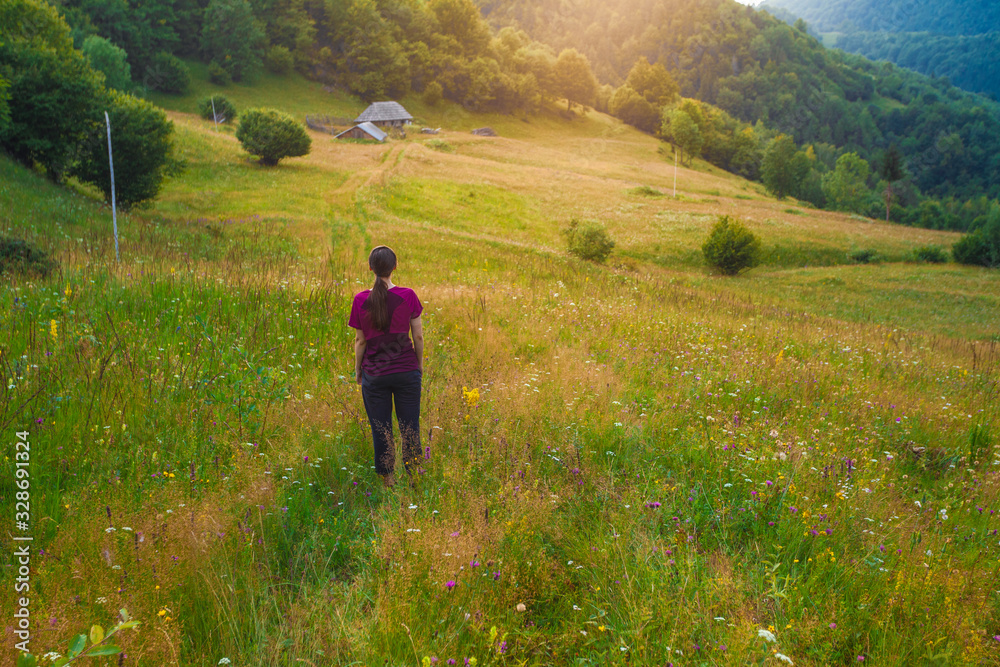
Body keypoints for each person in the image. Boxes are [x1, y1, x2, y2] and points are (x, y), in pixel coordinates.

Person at [348, 246, 424, 487]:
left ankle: (387, 481)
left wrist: (359, 370)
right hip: (407, 372)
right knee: (410, 426)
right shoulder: (408, 295)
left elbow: (360, 340)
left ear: (370, 267)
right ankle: (414, 479)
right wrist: (418, 365)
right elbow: (418, 336)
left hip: (375, 374)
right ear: (395, 267)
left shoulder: (361, 299)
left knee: (381, 429)